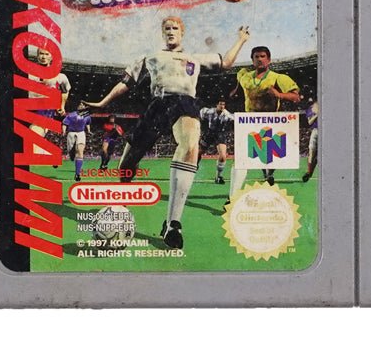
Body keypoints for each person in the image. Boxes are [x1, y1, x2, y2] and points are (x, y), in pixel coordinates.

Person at [82, 16, 250, 248]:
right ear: (163, 33)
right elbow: (125, 83)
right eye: (167, 28)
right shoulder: (149, 57)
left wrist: (241, 40)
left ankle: (173, 224)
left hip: (184, 102)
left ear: (182, 32)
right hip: (157, 105)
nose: (171, 31)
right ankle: (121, 206)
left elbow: (226, 62)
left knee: (190, 145)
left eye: (175, 28)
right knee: (126, 165)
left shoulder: (195, 58)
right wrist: (102, 103)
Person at [231, 46, 300, 190]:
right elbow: (239, 83)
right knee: (241, 160)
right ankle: (232, 197)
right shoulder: (244, 75)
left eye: (263, 56)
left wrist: (280, 95)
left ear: (269, 60)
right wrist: (235, 90)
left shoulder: (278, 78)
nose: (259, 59)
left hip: (270, 122)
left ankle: (269, 174)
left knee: (270, 158)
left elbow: (296, 97)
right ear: (252, 60)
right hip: (249, 122)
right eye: (256, 57)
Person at [199, 99, 234, 184]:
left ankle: (218, 177)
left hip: (220, 134)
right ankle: (193, 167)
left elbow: (234, 119)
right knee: (198, 153)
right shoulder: (209, 112)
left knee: (223, 156)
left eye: (223, 105)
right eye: (220, 104)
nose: (222, 106)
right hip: (209, 133)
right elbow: (201, 113)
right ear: (217, 105)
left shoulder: (226, 114)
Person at [61, 108, 93, 181]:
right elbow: (65, 123)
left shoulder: (87, 116)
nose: (82, 106)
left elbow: (88, 123)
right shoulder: (71, 115)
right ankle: (71, 154)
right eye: (81, 104)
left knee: (80, 151)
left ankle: (77, 174)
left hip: (81, 133)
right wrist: (64, 131)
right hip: (71, 133)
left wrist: (88, 130)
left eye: (83, 105)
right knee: (71, 152)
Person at [302, 97, 319, 182]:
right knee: (312, 151)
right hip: (316, 130)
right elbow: (309, 122)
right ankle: (308, 172)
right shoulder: (311, 109)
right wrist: (317, 114)